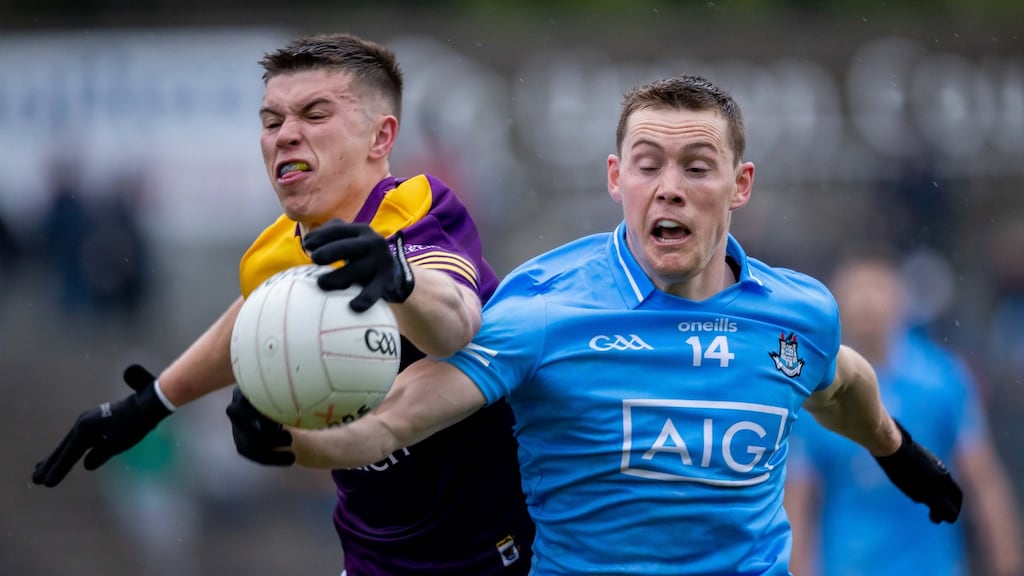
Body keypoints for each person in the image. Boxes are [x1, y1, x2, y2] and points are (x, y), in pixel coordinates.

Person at [226, 74, 964, 575]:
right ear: (617, 179)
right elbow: (396, 419)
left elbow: (843, 383)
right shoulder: (543, 308)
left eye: (697, 167)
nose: (669, 188)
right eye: (649, 165)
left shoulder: (797, 312)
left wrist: (902, 456)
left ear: (739, 185)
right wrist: (300, 441)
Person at [32, 32, 534, 575]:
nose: (286, 135)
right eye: (272, 122)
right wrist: (153, 403)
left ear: (380, 136)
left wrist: (398, 278)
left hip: (495, 553)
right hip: (371, 559)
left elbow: (457, 323)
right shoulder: (273, 251)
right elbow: (254, 316)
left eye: (314, 115)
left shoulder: (415, 208)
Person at [784, 253, 1023, 576]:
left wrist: (1007, 564)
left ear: (901, 298)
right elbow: (799, 501)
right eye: (856, 290)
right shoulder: (816, 390)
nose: (867, 302)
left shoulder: (942, 380)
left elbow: (983, 481)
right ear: (835, 303)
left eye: (877, 288)